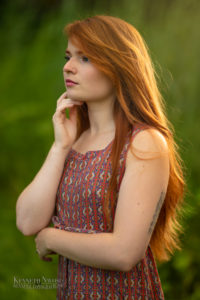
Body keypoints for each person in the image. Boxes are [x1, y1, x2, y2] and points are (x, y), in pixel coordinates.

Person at [16, 15, 185, 299]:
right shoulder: (75, 139)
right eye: (68, 56)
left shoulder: (145, 142)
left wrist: (51, 238)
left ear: (118, 68)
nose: (68, 67)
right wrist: (60, 147)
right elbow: (27, 221)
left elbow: (124, 253)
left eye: (85, 59)